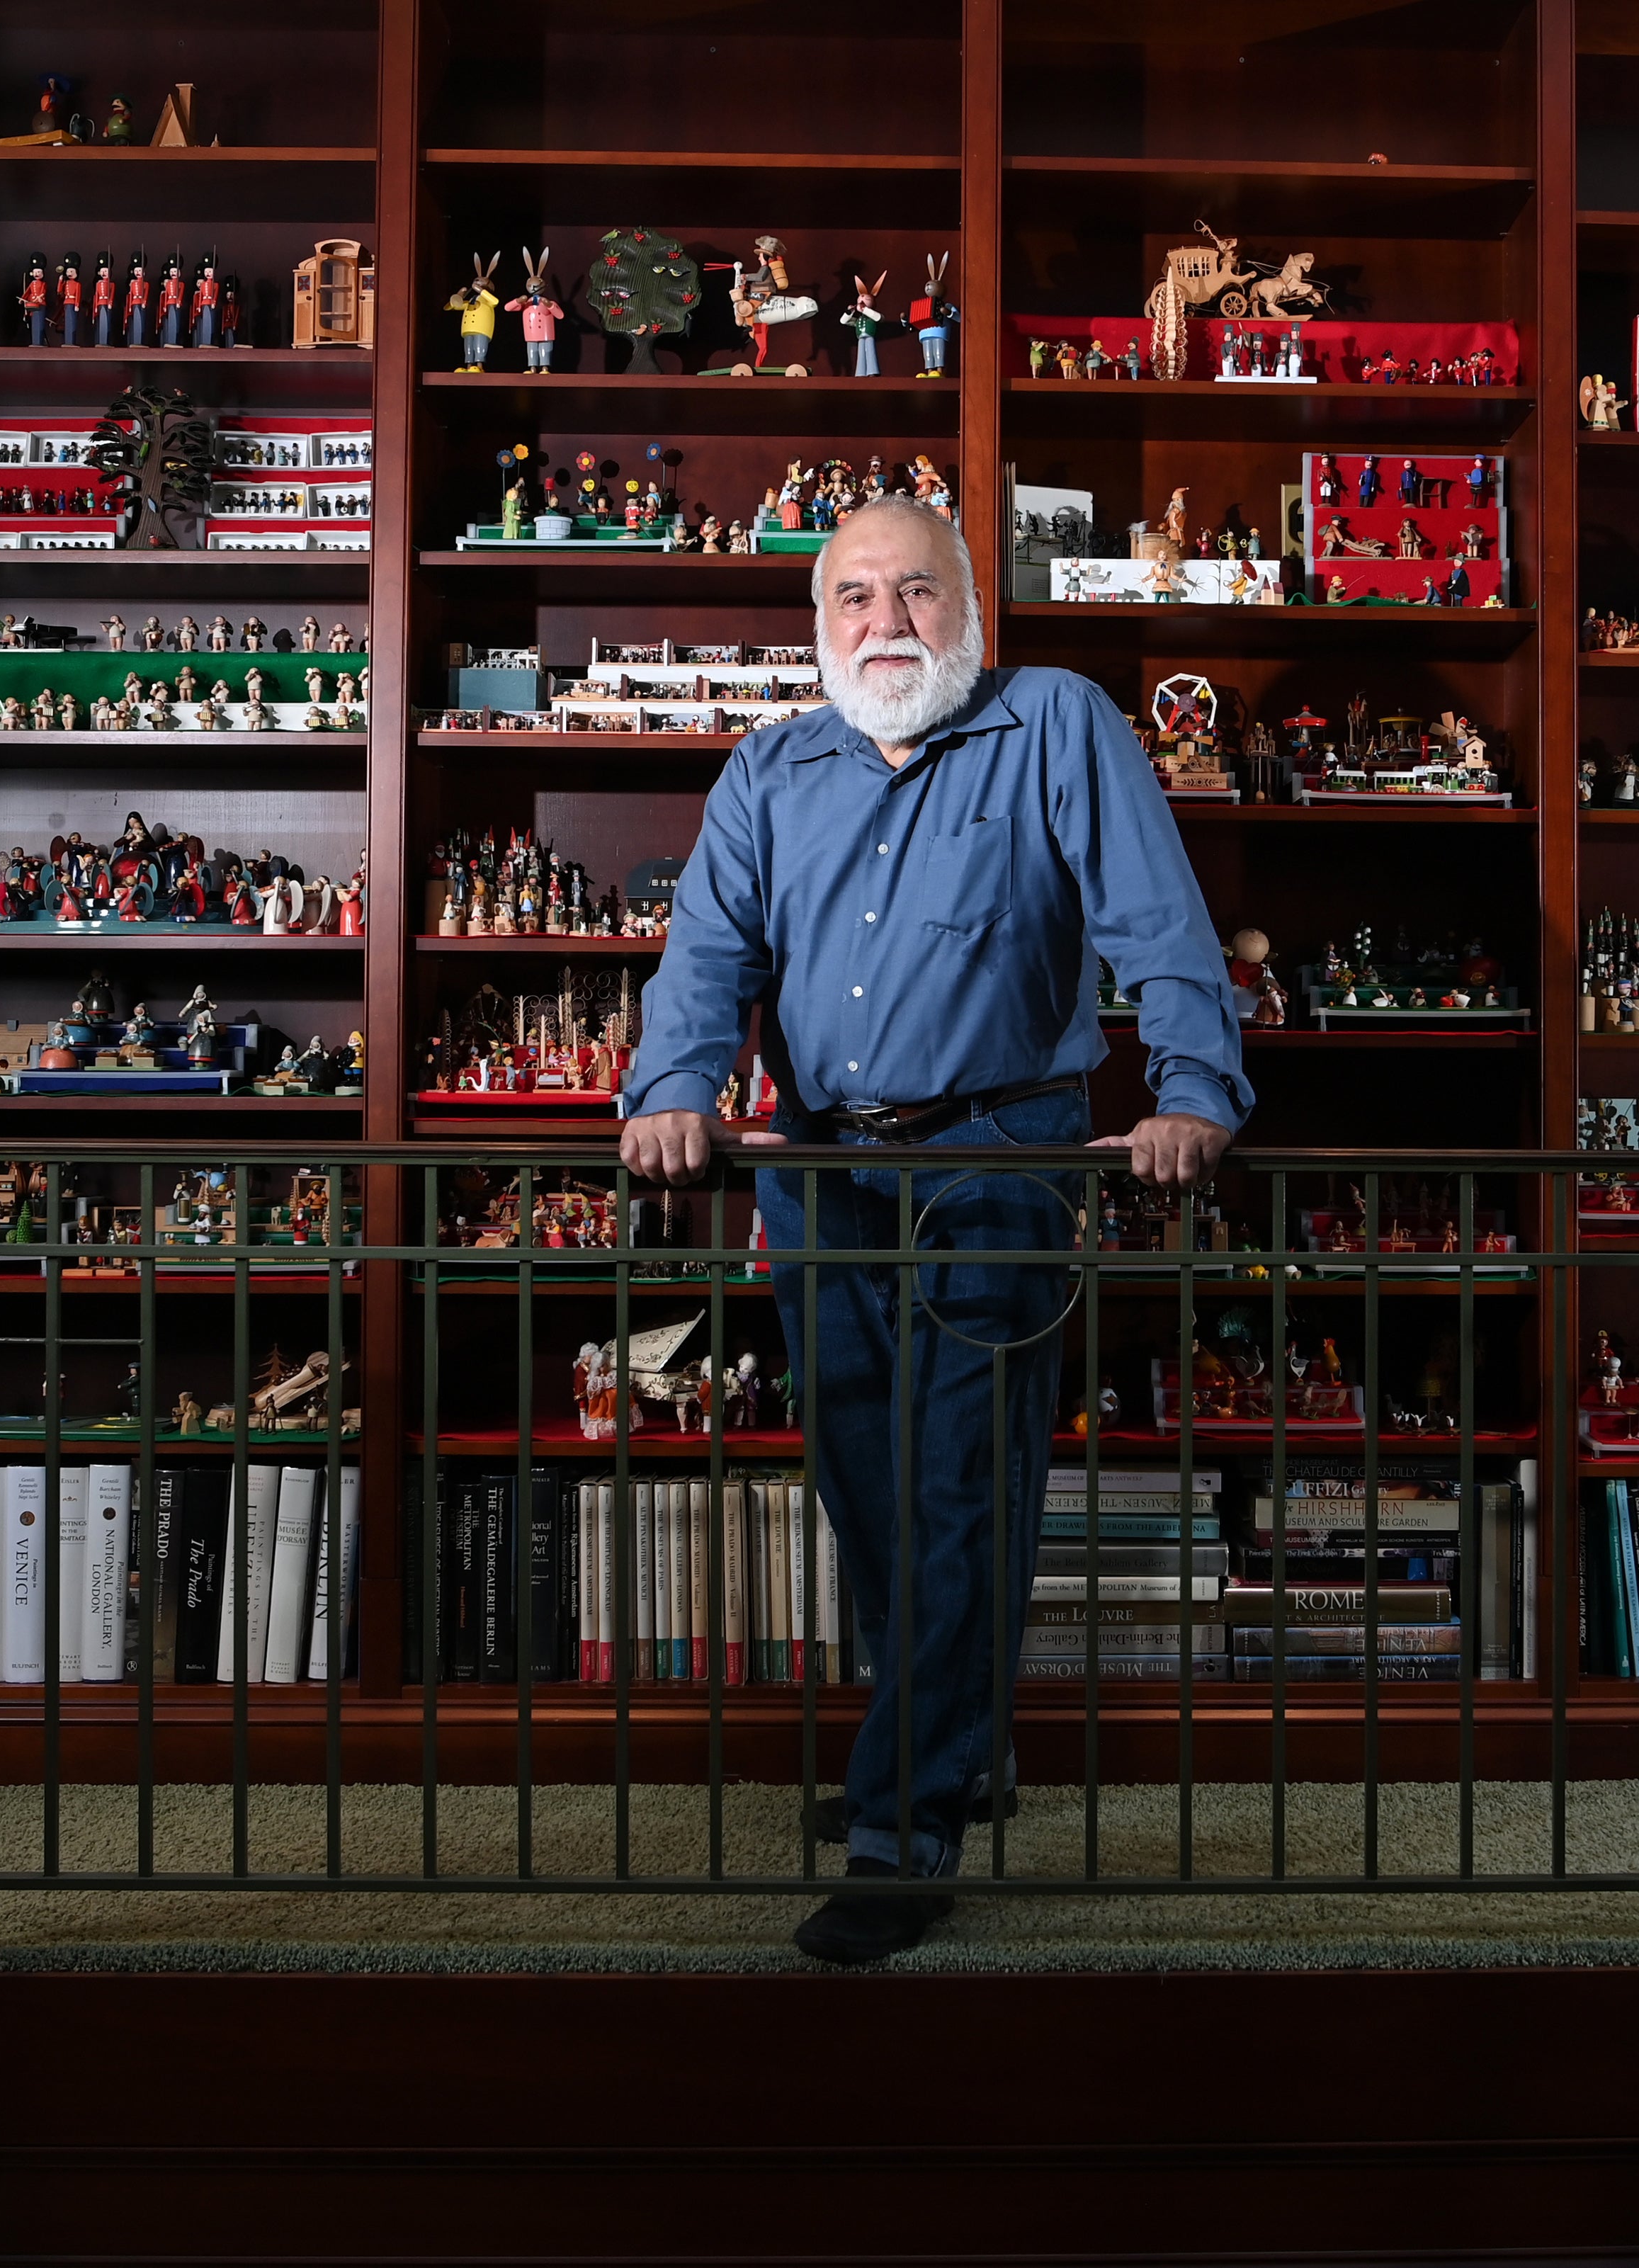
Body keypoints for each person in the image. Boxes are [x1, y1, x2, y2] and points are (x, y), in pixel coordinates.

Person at [618, 495, 1247, 1963]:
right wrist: (668, 1087)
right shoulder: (770, 768)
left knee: (955, 1490)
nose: (884, 623)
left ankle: (906, 1827)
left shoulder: (1060, 724)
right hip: (818, 1178)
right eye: (854, 596)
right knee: (869, 1490)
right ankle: (954, 1750)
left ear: (974, 606)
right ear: (816, 619)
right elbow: (705, 955)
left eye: (915, 592)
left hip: (996, 1165)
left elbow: (1163, 928)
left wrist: (1193, 1093)